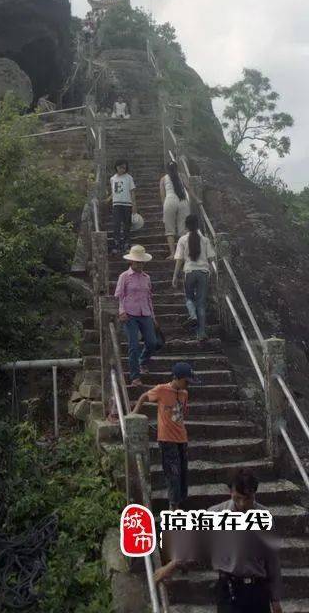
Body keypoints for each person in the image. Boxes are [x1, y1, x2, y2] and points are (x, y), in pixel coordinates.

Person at [154, 468, 282, 613]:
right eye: (238, 498)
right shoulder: (217, 513)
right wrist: (171, 566)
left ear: (254, 494)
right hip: (229, 589)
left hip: (257, 590)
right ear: (231, 492)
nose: (241, 504)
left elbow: (272, 560)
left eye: (247, 499)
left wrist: (275, 599)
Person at [133, 361, 199, 508]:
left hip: (182, 438)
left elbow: (183, 413)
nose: (188, 385)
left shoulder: (184, 393)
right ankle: (173, 507)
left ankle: (178, 504)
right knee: (173, 473)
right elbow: (144, 396)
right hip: (167, 439)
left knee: (183, 472)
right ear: (176, 377)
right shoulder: (161, 390)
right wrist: (134, 412)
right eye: (186, 381)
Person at [114, 244, 157, 387]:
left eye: (142, 262)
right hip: (130, 314)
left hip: (145, 313)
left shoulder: (146, 278)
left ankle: (142, 362)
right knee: (133, 345)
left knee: (152, 342)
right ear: (131, 262)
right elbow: (118, 296)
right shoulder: (124, 277)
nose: (140, 264)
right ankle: (135, 377)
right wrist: (121, 311)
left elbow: (149, 297)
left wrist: (153, 316)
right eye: (137, 262)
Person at [172, 214, 216, 345]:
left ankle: (192, 315)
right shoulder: (205, 240)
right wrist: (212, 274)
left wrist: (174, 276)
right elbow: (211, 259)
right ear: (198, 225)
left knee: (189, 298)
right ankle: (201, 333)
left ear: (186, 225)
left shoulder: (182, 240)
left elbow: (179, 259)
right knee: (201, 303)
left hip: (189, 272)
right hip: (203, 273)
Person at [160, 161, 190, 259]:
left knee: (170, 229)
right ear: (177, 168)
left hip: (169, 201)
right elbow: (189, 188)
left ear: (167, 169)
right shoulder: (182, 176)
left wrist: (164, 208)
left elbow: (162, 196)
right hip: (182, 200)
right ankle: (184, 253)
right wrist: (197, 199)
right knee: (183, 229)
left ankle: (173, 254)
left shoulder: (163, 179)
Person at [108, 160, 137, 254]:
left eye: (124, 167)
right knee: (116, 224)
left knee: (126, 225)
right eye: (120, 167)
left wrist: (134, 205)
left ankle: (126, 243)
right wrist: (107, 200)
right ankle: (116, 244)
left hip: (127, 204)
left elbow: (132, 192)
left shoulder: (129, 178)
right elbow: (113, 192)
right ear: (116, 167)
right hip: (116, 204)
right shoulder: (112, 178)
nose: (122, 169)